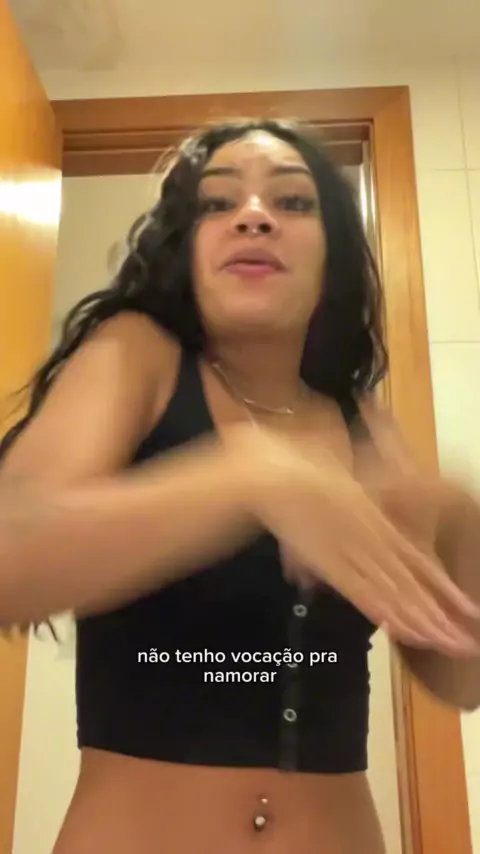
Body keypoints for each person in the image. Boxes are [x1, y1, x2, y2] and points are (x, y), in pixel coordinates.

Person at [1, 118, 480, 854]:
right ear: (186, 248)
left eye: (293, 203)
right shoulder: (137, 354)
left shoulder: (362, 419)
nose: (254, 216)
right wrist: (245, 477)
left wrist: (457, 516)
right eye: (217, 203)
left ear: (331, 255)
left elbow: (460, 679)